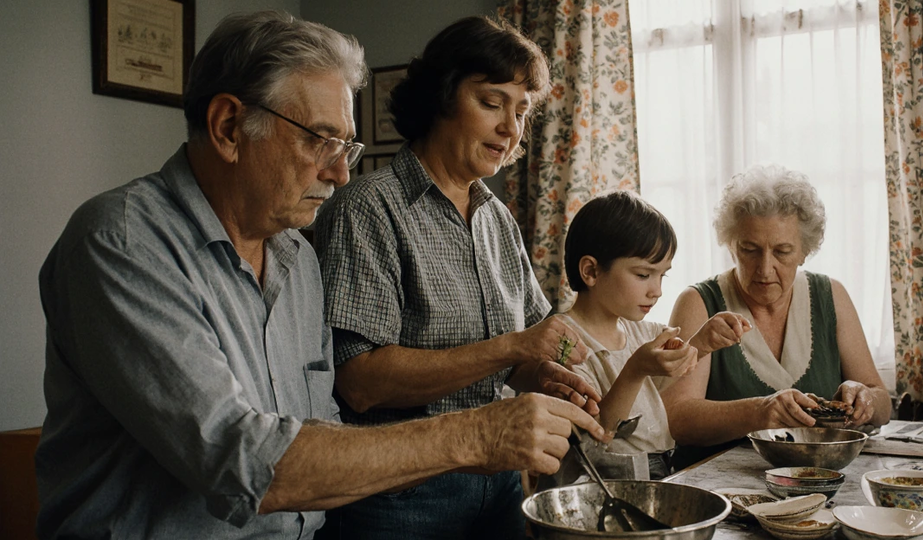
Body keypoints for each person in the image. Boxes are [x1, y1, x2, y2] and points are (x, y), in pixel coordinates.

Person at [35, 11, 603, 540]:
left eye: (346, 147)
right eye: (320, 140)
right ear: (229, 126)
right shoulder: (123, 241)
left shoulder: (296, 258)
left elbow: (327, 432)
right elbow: (244, 461)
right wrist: (479, 434)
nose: (339, 173)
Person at [313, 16, 601, 540]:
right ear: (441, 97)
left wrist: (547, 377)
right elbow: (360, 382)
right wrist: (513, 347)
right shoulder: (368, 208)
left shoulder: (497, 219)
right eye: (492, 103)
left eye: (522, 111)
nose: (510, 128)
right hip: (401, 495)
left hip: (499, 480)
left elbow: (520, 359)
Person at [664, 164, 892, 468]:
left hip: (817, 477)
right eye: (749, 250)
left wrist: (866, 400)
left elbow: (883, 404)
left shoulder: (831, 296)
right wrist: (759, 412)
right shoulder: (698, 302)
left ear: (805, 251)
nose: (764, 268)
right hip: (719, 483)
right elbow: (676, 418)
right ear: (730, 245)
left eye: (782, 252)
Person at [553, 190, 752, 480]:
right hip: (600, 485)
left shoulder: (641, 331)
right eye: (644, 275)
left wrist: (702, 342)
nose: (656, 291)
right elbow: (595, 433)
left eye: (662, 275)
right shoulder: (562, 342)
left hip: (658, 471)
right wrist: (635, 370)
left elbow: (660, 379)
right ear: (591, 271)